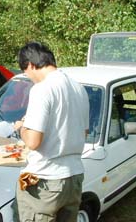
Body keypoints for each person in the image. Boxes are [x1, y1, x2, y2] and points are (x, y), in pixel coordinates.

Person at [12, 42, 89, 222]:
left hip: (46, 181)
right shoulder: (79, 88)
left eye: (26, 72)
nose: (28, 77)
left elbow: (33, 141)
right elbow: (83, 133)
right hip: (74, 176)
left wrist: (20, 128)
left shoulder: (42, 89)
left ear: (30, 65)